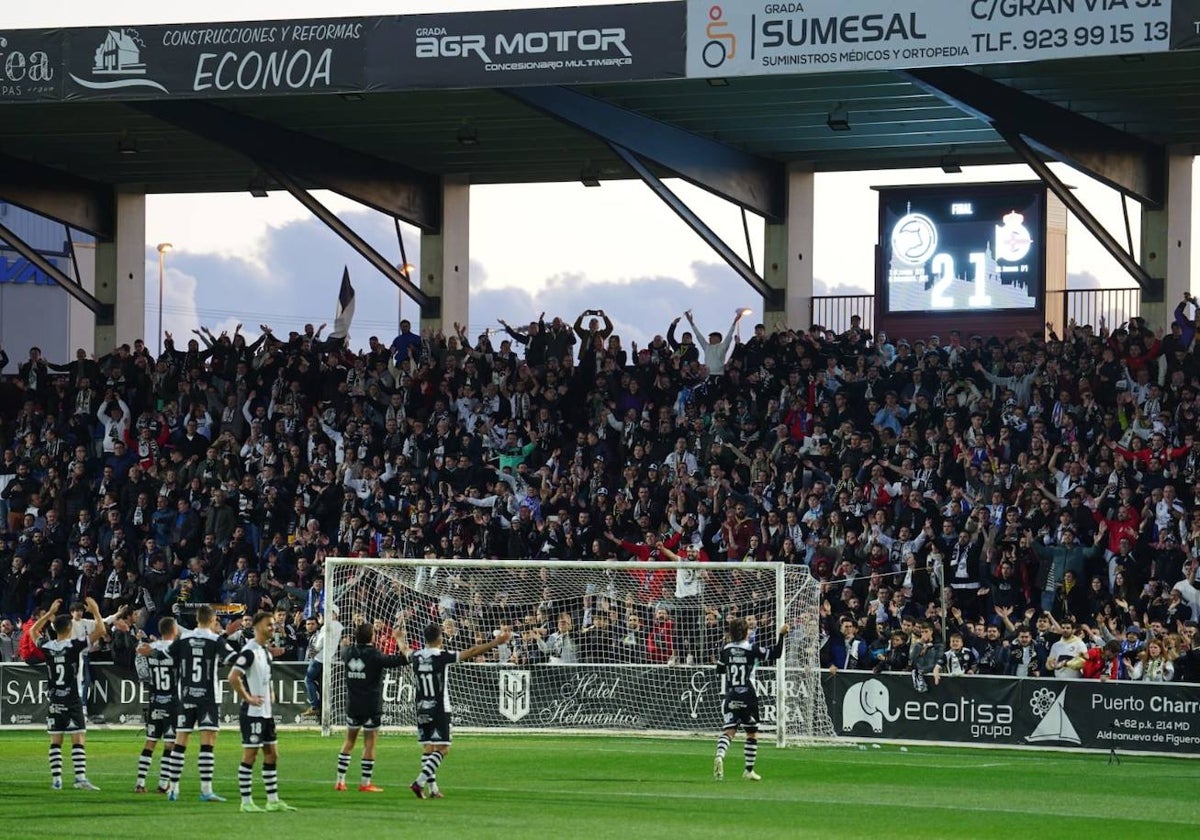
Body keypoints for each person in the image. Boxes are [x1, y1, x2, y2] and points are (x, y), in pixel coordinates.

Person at [408, 622, 511, 799]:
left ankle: (433, 790)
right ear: (440, 638)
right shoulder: (442, 655)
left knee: (428, 747)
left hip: (421, 708)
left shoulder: (415, 656)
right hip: (439, 708)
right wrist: (495, 643)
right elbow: (471, 652)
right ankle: (419, 782)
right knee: (443, 749)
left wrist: (400, 639)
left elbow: (404, 650)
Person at [152, 604, 238, 802]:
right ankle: (206, 790)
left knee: (180, 742)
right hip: (207, 698)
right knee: (207, 743)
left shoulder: (184, 639)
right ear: (212, 620)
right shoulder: (215, 639)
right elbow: (233, 658)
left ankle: (174, 789)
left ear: (197, 619)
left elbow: (164, 656)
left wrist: (151, 650)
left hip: (186, 696)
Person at [32, 597, 107, 790]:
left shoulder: (48, 647)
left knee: (56, 741)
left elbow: (32, 631)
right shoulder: (74, 646)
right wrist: (96, 611)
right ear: (68, 628)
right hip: (72, 699)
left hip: (55, 698)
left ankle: (56, 780)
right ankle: (80, 778)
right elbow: (101, 631)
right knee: (78, 737)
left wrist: (49, 614)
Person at [228, 611, 297, 813]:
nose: (272, 628)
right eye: (269, 625)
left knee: (272, 754)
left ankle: (273, 800)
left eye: (273, 625)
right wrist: (247, 697)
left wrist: (271, 691)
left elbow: (265, 676)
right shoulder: (249, 651)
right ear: (257, 626)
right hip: (252, 713)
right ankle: (246, 801)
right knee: (250, 755)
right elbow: (234, 676)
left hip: (266, 713)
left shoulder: (265, 651)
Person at [335, 621, 410, 792]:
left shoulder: (347, 653)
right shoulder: (375, 655)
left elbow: (343, 649)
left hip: (353, 705)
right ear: (372, 637)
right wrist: (399, 640)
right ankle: (365, 783)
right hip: (371, 705)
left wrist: (343, 644)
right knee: (369, 744)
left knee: (348, 742)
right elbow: (401, 659)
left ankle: (340, 781)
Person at [713, 616, 788, 782]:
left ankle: (719, 755)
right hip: (748, 694)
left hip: (731, 694)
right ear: (747, 632)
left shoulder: (725, 649)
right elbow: (776, 653)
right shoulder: (751, 648)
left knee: (729, 731)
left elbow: (719, 670)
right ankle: (748, 770)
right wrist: (781, 635)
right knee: (752, 733)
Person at [132, 616, 181, 793]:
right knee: (170, 744)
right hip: (171, 703)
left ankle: (140, 783)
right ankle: (162, 783)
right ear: (174, 630)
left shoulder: (149, 648)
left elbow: (143, 669)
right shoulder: (176, 650)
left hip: (154, 701)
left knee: (150, 742)